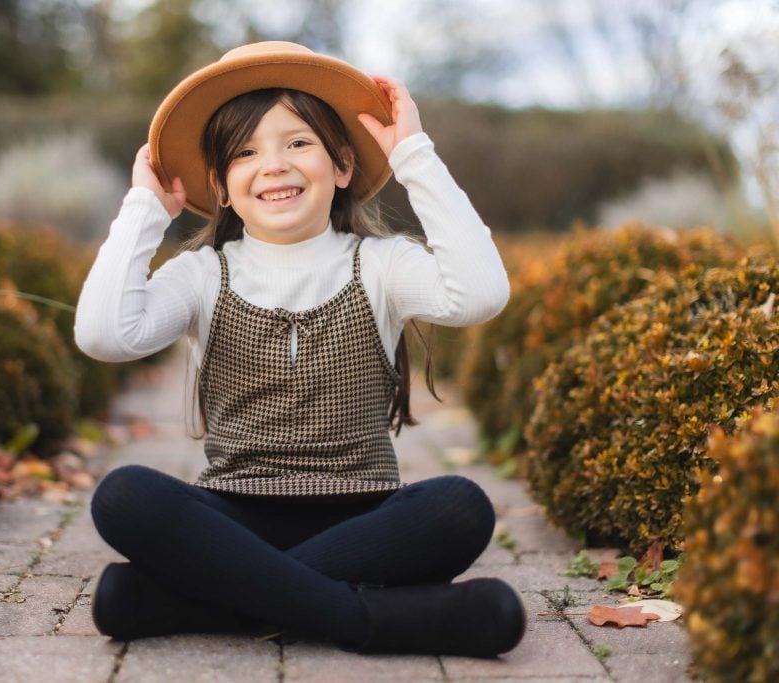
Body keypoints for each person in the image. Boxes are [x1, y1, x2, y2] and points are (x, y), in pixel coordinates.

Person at [74, 41, 524, 657]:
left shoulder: (380, 265)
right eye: (246, 152)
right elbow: (104, 334)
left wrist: (415, 156)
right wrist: (145, 210)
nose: (274, 164)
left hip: (364, 519)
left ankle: (199, 600)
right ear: (222, 187)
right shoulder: (203, 274)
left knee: (459, 508)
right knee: (123, 494)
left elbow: (480, 294)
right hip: (229, 517)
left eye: (298, 143)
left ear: (342, 167)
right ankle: (364, 620)